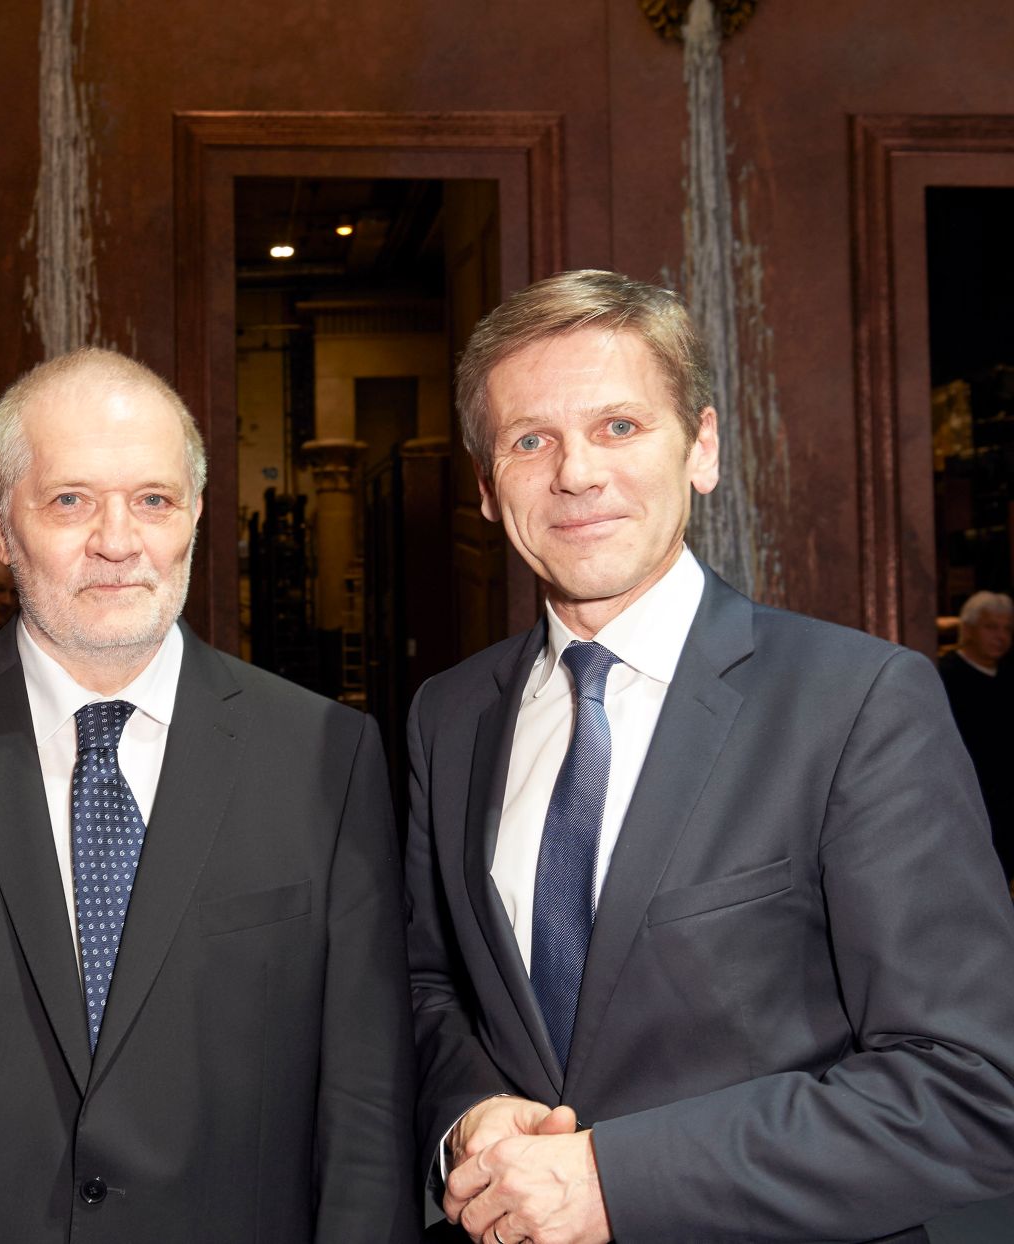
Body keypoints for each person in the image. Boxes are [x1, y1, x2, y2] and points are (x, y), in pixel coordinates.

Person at [405, 271, 1014, 1244]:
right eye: (529, 440)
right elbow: (429, 984)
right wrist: (465, 1114)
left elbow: (971, 1084)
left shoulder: (858, 701)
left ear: (700, 448)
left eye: (616, 427)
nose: (574, 473)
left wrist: (614, 1178)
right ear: (485, 487)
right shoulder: (447, 714)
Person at [0, 347, 416, 1243]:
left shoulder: (325, 753)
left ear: (195, 516)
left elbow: (366, 1112)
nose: (118, 541)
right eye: (70, 500)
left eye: (153, 500)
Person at [938, 590, 1014, 889]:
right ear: (967, 629)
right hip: (966, 801)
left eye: (1007, 628)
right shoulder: (945, 675)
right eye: (991, 627)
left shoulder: (1009, 676)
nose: (1000, 636)